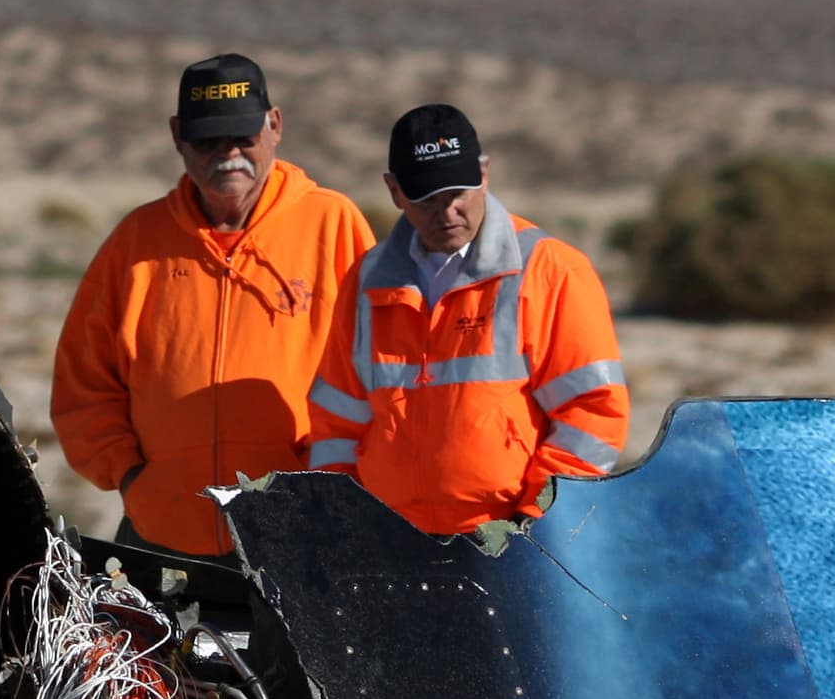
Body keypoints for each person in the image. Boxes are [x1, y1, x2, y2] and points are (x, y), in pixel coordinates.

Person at [53, 55, 376, 556]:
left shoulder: (333, 225)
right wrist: (133, 475)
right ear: (177, 134)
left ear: (275, 125)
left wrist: (330, 484)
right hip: (162, 533)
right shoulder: (137, 241)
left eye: (242, 138)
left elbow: (380, 374)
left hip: (304, 532)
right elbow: (84, 385)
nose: (227, 156)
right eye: (207, 141)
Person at [306, 103, 629, 537]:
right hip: (390, 542)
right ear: (394, 191)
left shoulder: (550, 270)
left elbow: (593, 413)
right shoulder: (366, 281)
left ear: (484, 173)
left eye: (457, 193)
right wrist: (344, 519)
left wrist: (534, 524)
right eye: (427, 198)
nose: (446, 212)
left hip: (515, 542)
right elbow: (336, 421)